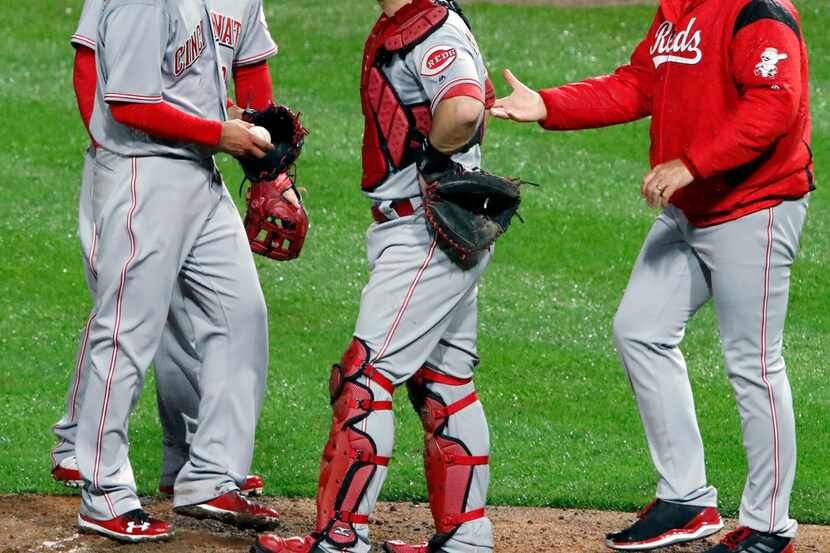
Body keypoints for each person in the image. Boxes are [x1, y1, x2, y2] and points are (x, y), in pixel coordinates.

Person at [491, 0, 812, 552]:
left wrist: (691, 162)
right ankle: (687, 498)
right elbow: (639, 84)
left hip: (754, 207)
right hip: (690, 206)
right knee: (639, 329)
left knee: (755, 364)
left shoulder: (758, 12)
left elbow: (774, 105)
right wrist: (547, 104)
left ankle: (770, 525)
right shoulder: (676, 10)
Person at [254, 1, 497, 552]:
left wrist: (434, 154)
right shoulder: (409, 22)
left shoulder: (429, 28)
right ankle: (466, 536)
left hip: (425, 230)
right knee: (445, 382)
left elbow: (462, 109)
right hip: (435, 223)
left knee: (365, 379)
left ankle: (341, 537)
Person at [73, 0, 282, 542]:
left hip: (201, 173)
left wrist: (268, 171)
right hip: (145, 171)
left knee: (242, 316)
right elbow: (128, 103)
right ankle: (103, 491)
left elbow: (252, 71)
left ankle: (211, 474)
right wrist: (221, 134)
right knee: (127, 332)